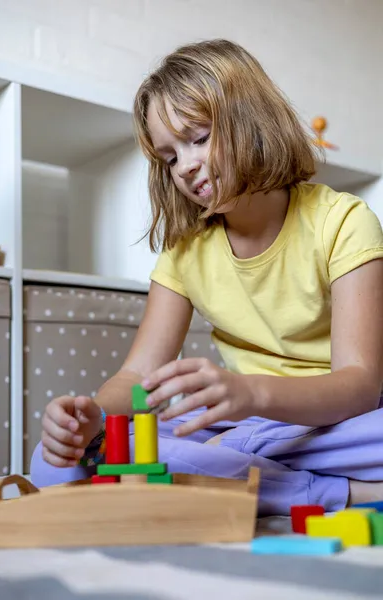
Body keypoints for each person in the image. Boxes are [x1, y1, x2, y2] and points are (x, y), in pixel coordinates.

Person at [31, 39, 383, 516]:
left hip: (337, 423)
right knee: (56, 463)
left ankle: (240, 473)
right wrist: (95, 416)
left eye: (197, 138)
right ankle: (337, 492)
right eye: (170, 157)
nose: (186, 166)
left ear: (251, 120)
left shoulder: (343, 220)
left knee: (194, 455)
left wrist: (252, 395)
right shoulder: (185, 249)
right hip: (241, 423)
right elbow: (137, 377)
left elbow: (358, 385)